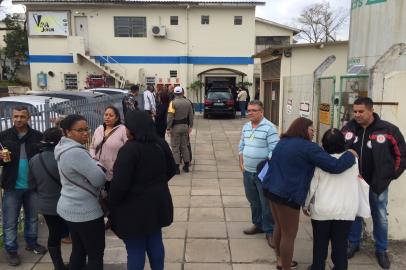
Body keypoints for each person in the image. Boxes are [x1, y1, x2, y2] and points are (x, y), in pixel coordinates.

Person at [262, 117, 356, 270]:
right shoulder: (309, 147)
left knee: (279, 226)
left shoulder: (283, 141)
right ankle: (285, 267)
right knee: (289, 234)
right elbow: (335, 165)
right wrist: (350, 154)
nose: (314, 133)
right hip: (287, 195)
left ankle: (280, 260)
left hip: (271, 189)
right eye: (312, 130)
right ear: (304, 129)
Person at [343, 97, 406, 269]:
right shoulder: (349, 128)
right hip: (354, 182)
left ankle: (381, 250)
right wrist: (345, 150)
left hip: (378, 183)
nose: (357, 115)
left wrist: (390, 175)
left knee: (380, 216)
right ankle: (353, 243)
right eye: (355, 111)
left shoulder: (388, 129)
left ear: (371, 110)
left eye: (361, 111)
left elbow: (402, 155)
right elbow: (338, 146)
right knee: (355, 213)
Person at [109, 111, 176, 270]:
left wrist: (112, 203)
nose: (125, 131)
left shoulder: (129, 150)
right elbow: (171, 169)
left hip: (134, 209)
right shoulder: (160, 143)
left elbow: (119, 185)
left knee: (135, 248)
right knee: (155, 241)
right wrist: (156, 183)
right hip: (157, 203)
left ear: (133, 129)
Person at [55, 114, 106, 270]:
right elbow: (99, 179)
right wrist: (97, 166)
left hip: (69, 207)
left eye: (87, 129)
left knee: (79, 249)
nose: (86, 133)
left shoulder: (61, 146)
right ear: (68, 132)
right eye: (80, 130)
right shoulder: (76, 152)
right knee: (95, 253)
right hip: (85, 211)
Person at [303, 128, 359, 270]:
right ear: (343, 142)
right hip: (345, 210)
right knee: (340, 244)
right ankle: (340, 267)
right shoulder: (353, 161)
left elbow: (313, 186)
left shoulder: (321, 162)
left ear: (324, 144)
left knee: (320, 244)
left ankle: (318, 266)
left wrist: (306, 205)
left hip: (322, 210)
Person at [0, 106, 47, 266]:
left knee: (32, 218)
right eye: (16, 116)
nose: (18, 119)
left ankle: (31, 243)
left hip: (32, 185)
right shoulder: (4, 136)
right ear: (12, 117)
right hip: (12, 186)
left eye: (22, 116)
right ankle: (11, 250)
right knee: (10, 221)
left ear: (29, 118)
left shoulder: (37, 136)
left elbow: (43, 158)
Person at [238, 100, 279, 248]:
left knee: (265, 203)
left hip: (263, 174)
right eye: (248, 110)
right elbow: (241, 145)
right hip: (247, 172)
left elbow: (274, 150)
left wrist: (265, 167)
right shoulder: (246, 126)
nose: (250, 113)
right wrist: (241, 161)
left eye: (253, 110)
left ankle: (269, 231)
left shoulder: (269, 128)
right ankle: (258, 224)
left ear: (261, 112)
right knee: (253, 201)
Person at [29, 128, 68, 270]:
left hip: (46, 205)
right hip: (67, 203)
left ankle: (58, 266)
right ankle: (77, 262)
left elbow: (31, 184)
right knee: (75, 233)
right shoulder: (63, 157)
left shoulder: (34, 159)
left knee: (53, 234)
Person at [90, 106, 127, 190]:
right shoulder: (99, 129)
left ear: (117, 117)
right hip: (98, 170)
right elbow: (92, 147)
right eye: (106, 115)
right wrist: (93, 157)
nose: (107, 117)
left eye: (111, 115)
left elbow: (127, 149)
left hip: (115, 172)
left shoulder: (123, 130)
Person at [167, 86, 194, 174]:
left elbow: (170, 117)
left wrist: (168, 127)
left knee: (175, 147)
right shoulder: (188, 102)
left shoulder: (173, 103)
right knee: (184, 146)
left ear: (174, 93)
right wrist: (190, 126)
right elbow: (191, 115)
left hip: (175, 127)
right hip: (185, 126)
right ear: (182, 93)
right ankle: (186, 166)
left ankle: (176, 168)